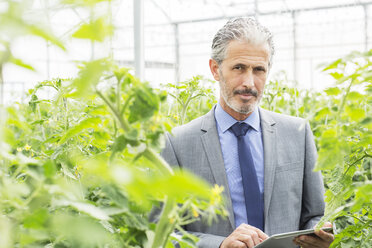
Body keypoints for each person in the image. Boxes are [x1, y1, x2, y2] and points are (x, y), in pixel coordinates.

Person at [161, 17, 334, 248]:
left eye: (259, 70)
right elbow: (161, 232)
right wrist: (220, 244)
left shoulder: (298, 133)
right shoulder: (177, 143)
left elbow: (316, 215)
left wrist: (323, 236)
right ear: (215, 69)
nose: (249, 83)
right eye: (239, 68)